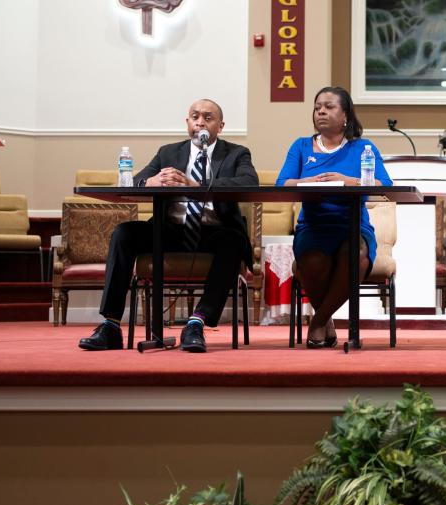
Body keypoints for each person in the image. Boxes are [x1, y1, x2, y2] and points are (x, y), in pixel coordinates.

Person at [79, 98, 258, 354]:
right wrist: (150, 182)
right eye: (195, 116)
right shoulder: (168, 153)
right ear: (187, 122)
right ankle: (111, 324)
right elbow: (135, 182)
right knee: (124, 233)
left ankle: (196, 323)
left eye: (208, 117)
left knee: (234, 240)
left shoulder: (236, 153)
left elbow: (249, 183)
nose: (200, 121)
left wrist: (195, 186)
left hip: (213, 231)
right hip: (170, 230)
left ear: (220, 126)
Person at [275, 86, 392, 348]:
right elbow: (282, 183)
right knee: (312, 261)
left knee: (357, 256)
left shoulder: (363, 147)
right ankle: (324, 320)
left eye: (329, 107)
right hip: (313, 226)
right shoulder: (302, 146)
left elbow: (384, 184)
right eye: (317, 108)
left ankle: (318, 321)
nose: (321, 112)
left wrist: (349, 181)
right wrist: (306, 182)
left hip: (352, 226)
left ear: (346, 115)